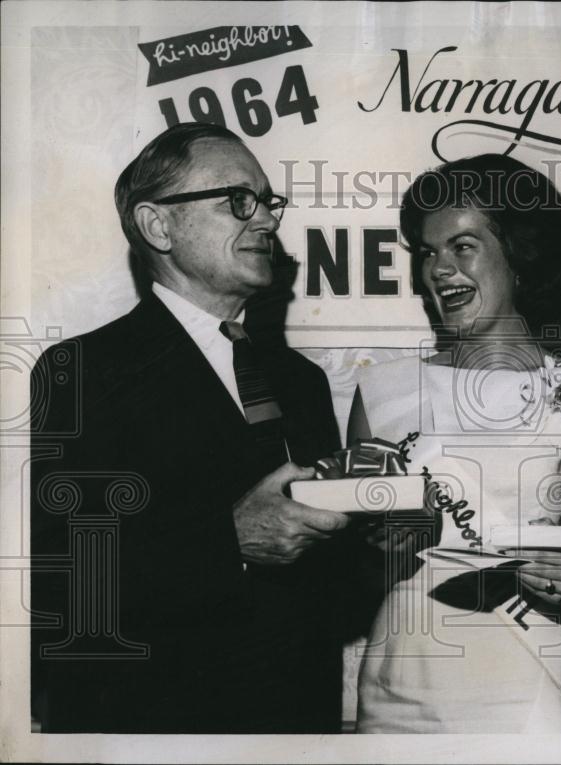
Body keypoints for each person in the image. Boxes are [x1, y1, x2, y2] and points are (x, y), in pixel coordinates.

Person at [30, 123, 374, 733]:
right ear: (158, 225)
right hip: (156, 728)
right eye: (238, 201)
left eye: (268, 202)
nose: (266, 220)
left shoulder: (301, 382)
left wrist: (378, 531)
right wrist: (228, 542)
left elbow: (329, 584)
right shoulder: (81, 373)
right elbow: (58, 581)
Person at [351, 154, 561, 733]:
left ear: (520, 256)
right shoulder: (381, 392)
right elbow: (349, 568)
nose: (439, 270)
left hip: (531, 680)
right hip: (400, 681)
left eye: (463, 246)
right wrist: (378, 543)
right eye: (427, 252)